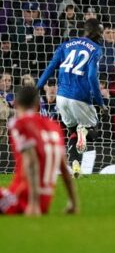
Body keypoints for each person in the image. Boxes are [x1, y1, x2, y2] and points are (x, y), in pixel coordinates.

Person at [36, 19, 107, 178]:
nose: (102, 36)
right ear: (93, 32)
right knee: (92, 130)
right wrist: (101, 103)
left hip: (61, 97)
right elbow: (91, 77)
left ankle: (75, 165)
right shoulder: (96, 49)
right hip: (80, 97)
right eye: (100, 32)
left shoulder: (65, 45)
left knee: (73, 131)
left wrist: (37, 89)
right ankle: (84, 131)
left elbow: (49, 68)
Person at [0, 86, 78, 216]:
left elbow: (31, 162)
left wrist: (33, 203)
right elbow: (64, 168)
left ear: (17, 104)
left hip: (21, 199)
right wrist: (73, 203)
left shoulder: (19, 123)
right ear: (37, 105)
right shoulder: (54, 126)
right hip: (45, 201)